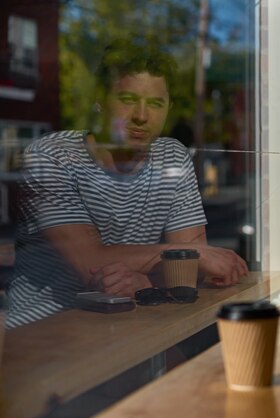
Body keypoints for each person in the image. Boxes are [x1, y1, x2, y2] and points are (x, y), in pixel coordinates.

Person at [6, 38, 248, 328]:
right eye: (128, 100)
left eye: (156, 103)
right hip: (46, 333)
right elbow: (91, 263)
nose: (142, 117)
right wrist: (179, 259)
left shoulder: (172, 156)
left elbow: (192, 272)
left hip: (133, 323)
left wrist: (145, 281)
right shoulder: (51, 157)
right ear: (99, 99)